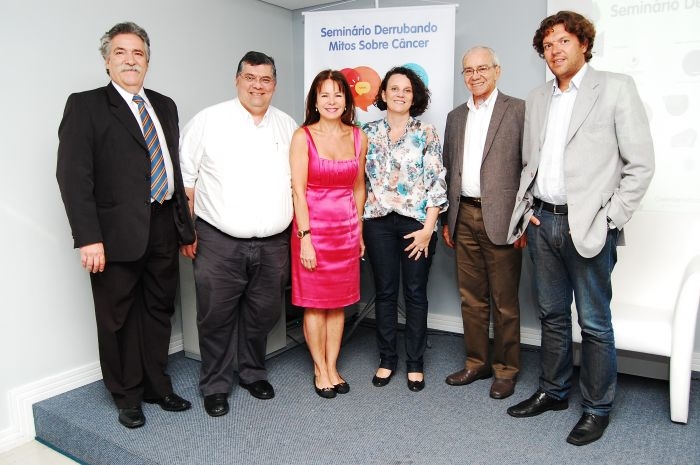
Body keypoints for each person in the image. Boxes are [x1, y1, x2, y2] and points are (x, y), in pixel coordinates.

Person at [506, 11, 655, 446]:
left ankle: (596, 408)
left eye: (563, 41)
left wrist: (610, 219)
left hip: (589, 225)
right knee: (552, 316)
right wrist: (527, 210)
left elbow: (641, 165)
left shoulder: (616, 88)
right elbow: (531, 162)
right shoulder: (537, 97)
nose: (554, 50)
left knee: (593, 322)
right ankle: (553, 392)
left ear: (584, 44)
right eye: (547, 45)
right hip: (543, 221)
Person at [56, 22, 196, 429]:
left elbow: (173, 170)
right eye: (121, 52)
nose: (130, 60)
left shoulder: (165, 105)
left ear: (147, 61)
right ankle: (127, 395)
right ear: (107, 61)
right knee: (116, 317)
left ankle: (157, 386)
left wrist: (185, 229)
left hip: (163, 224)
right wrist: (89, 238)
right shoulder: (85, 106)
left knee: (158, 310)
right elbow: (73, 177)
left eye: (138, 53)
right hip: (113, 233)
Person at [179, 51, 297, 417]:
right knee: (215, 316)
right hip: (218, 241)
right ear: (237, 80)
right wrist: (187, 230)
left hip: (274, 243)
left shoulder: (287, 125)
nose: (257, 86)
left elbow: (298, 183)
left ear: (274, 84)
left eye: (265, 79)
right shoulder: (208, 121)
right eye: (250, 77)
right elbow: (186, 181)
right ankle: (215, 385)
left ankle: (252, 372)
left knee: (264, 313)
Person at [441, 46, 525, 400]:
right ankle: (477, 362)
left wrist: (522, 220)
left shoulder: (518, 110)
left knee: (504, 301)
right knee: (471, 298)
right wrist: (447, 220)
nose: (475, 76)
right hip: (463, 216)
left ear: (497, 70)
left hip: (504, 219)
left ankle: (506, 370)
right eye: (468, 70)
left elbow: (529, 167)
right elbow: (448, 170)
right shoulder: (455, 117)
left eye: (482, 68)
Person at [363, 67, 448, 392]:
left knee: (415, 293)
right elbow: (359, 181)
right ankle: (387, 359)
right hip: (378, 223)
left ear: (415, 97)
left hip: (417, 224)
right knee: (385, 292)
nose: (400, 94)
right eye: (394, 88)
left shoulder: (426, 132)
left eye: (407, 90)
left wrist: (429, 228)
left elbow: (436, 181)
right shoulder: (367, 132)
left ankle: (415, 363)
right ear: (383, 94)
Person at [290, 70, 367, 399]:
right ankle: (319, 368)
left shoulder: (358, 137)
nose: (332, 101)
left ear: (346, 101)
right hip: (313, 231)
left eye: (338, 94)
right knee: (315, 304)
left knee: (338, 305)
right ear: (315, 101)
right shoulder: (302, 136)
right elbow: (298, 190)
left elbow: (359, 187)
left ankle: (333, 367)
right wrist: (305, 237)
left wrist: (358, 230)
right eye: (325, 95)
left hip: (346, 231)